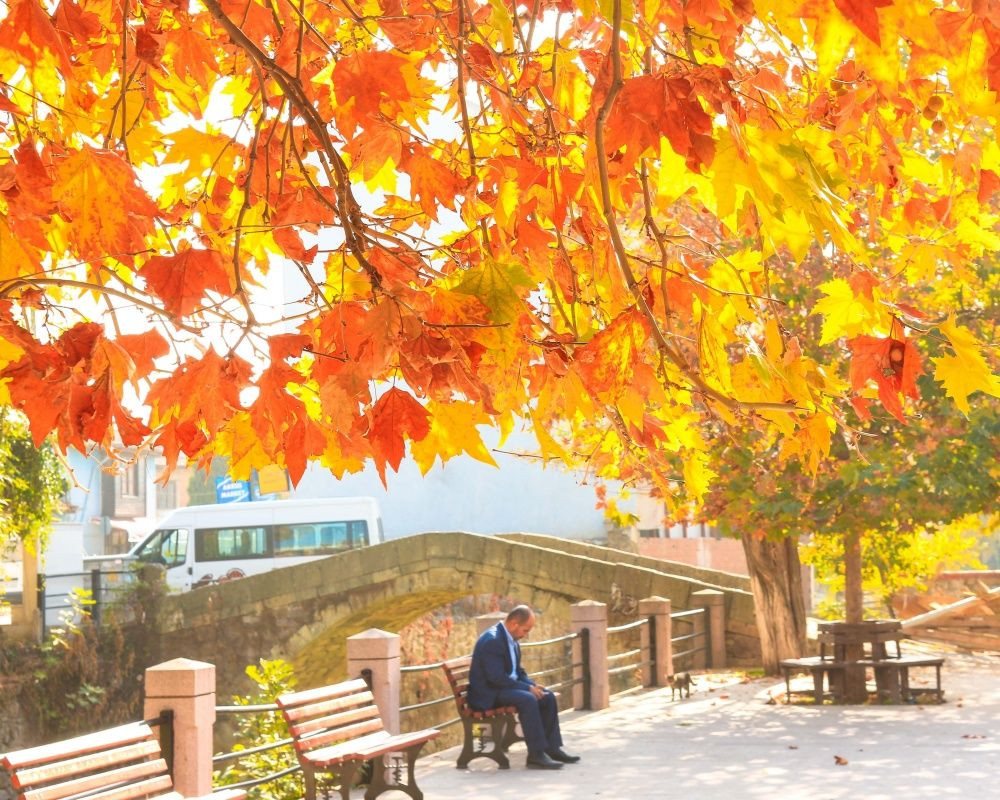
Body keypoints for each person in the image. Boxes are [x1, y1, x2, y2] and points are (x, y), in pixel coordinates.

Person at [467, 605, 580, 770]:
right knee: (528, 699)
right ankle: (536, 755)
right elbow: (496, 678)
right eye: (525, 630)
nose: (526, 635)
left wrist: (532, 685)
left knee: (546, 696)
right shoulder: (493, 641)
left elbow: (517, 672)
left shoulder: (511, 640)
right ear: (513, 624)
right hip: (488, 694)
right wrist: (527, 690)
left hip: (502, 688)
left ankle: (552, 748)